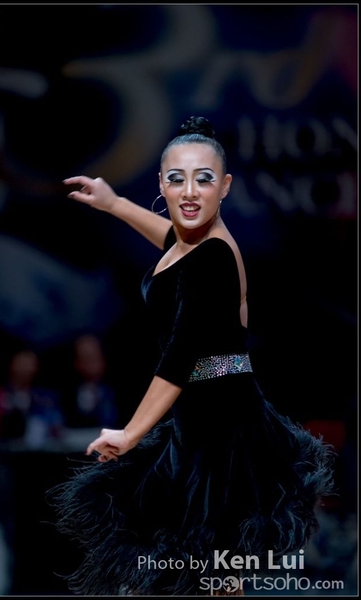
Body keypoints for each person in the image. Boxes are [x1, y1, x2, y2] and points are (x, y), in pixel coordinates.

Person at [48, 116, 335, 596]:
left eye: (203, 179)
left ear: (225, 186)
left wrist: (130, 434)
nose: (189, 192)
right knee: (203, 578)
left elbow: (182, 356)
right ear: (161, 183)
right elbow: (173, 243)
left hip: (221, 430)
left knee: (205, 575)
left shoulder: (214, 258)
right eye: (176, 179)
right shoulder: (197, 246)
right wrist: (115, 204)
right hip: (206, 420)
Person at [61, 333, 119, 429]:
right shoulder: (65, 394)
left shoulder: (118, 391)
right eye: (86, 358)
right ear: (76, 362)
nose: (92, 362)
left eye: (95, 356)